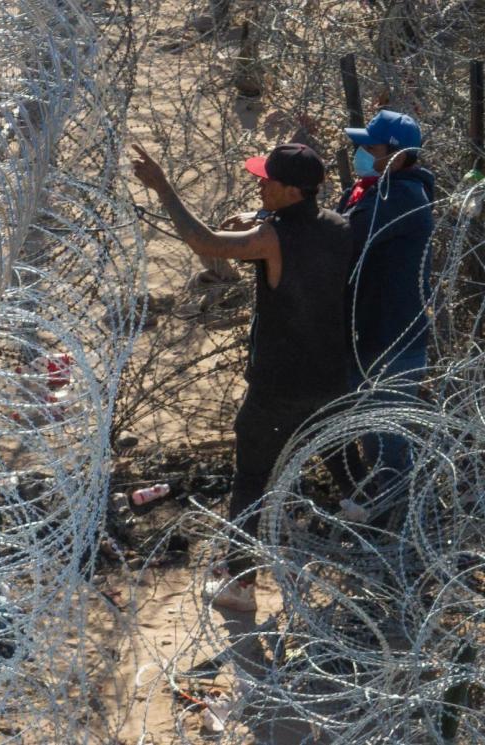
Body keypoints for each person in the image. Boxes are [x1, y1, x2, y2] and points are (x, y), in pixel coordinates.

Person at [132, 142, 353, 613]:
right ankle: (374, 534)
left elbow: (206, 243)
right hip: (333, 377)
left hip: (279, 386)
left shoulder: (272, 239)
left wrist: (164, 188)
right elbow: (297, 230)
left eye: (267, 181)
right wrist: (258, 216)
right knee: (339, 457)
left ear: (292, 191)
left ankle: (241, 583)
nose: (259, 182)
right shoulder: (338, 226)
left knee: (252, 478)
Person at [334, 110, 435, 521]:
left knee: (388, 442)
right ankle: (386, 518)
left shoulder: (402, 197)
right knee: (374, 436)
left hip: (394, 339)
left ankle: (403, 533)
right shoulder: (374, 190)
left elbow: (344, 237)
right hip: (371, 334)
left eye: (370, 147)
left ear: (398, 154)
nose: (361, 152)